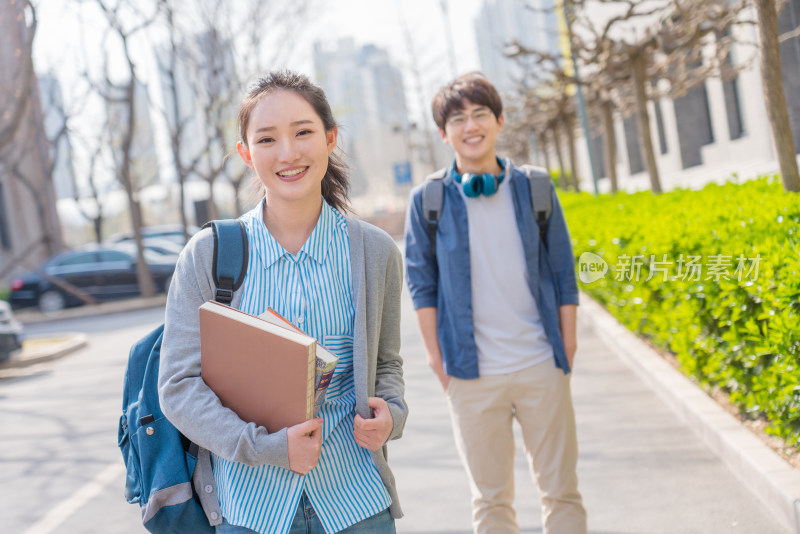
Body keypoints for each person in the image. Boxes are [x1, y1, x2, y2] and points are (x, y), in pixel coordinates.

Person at [159, 70, 407, 534]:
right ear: (246, 154)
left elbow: (386, 364)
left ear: (330, 138)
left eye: (304, 132)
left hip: (355, 502)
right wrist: (265, 447)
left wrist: (391, 415)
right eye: (267, 139)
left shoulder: (373, 252)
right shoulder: (209, 256)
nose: (288, 153)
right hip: (252, 510)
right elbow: (178, 386)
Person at [404, 72, 586, 534]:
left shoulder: (534, 188)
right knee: (490, 502)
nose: (471, 125)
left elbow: (564, 271)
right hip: (470, 372)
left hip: (541, 362)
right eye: (458, 118)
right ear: (444, 133)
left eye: (480, 113)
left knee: (561, 491)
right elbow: (421, 283)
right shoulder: (429, 199)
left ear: (500, 121)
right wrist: (436, 359)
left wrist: (567, 344)